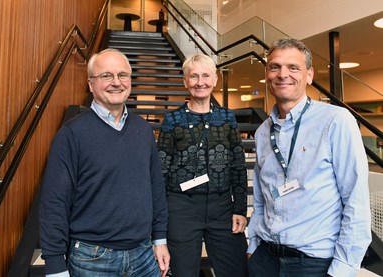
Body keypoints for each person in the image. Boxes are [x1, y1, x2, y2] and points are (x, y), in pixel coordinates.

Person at [39, 48, 170, 277]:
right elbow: (54, 202)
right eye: (106, 76)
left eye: (123, 75)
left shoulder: (143, 129)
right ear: (91, 84)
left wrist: (160, 239)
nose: (116, 82)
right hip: (92, 259)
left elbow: (155, 187)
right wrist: (55, 266)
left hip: (143, 255)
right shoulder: (71, 134)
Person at [247, 38, 372, 277]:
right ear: (267, 74)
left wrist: (342, 270)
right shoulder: (263, 132)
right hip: (264, 260)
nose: (283, 74)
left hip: (313, 265)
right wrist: (253, 246)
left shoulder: (336, 121)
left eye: (293, 67)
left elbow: (356, 201)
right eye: (275, 67)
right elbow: (262, 198)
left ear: (309, 75)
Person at [157, 53, 248, 277]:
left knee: (236, 269)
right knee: (183, 272)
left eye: (206, 76)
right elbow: (161, 170)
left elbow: (237, 165)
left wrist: (240, 209)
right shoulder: (172, 120)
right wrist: (159, 222)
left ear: (215, 80)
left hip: (222, 207)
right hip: (181, 207)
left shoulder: (227, 118)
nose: (200, 82)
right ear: (185, 81)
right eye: (194, 76)